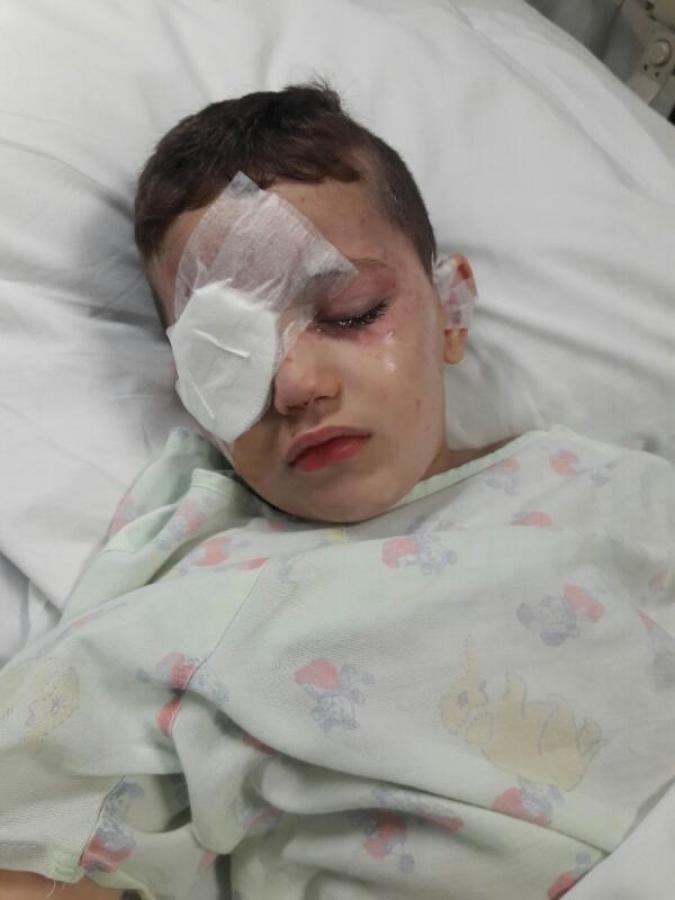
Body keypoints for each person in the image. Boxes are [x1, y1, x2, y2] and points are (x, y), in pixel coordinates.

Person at [1, 83, 674, 900]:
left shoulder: (625, 497)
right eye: (226, 353)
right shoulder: (193, 599)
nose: (297, 383)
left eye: (350, 313)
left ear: (450, 308)